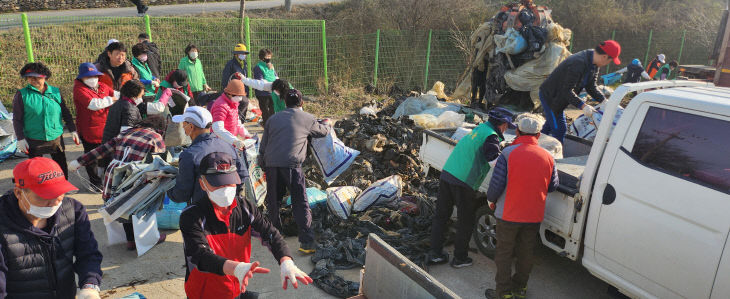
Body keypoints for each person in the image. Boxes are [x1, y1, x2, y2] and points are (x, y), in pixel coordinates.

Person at [180, 152, 313, 298]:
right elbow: (201, 256)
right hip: (205, 293)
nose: (224, 189)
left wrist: (286, 260)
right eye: (217, 184)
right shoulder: (191, 216)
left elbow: (270, 233)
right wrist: (236, 268)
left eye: (228, 182)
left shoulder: (245, 208)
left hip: (237, 287)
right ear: (202, 184)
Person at [0, 157, 103, 299]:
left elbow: (88, 253)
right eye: (45, 196)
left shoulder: (73, 210)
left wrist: (90, 285)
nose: (55, 202)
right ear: (19, 193)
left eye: (59, 193)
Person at [428, 108, 515, 268]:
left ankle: (435, 254)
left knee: (441, 216)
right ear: (503, 124)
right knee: (466, 221)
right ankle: (460, 258)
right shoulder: (491, 137)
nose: (507, 129)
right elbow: (494, 163)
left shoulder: (480, 128)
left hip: (448, 173)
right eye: (507, 126)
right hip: (463, 181)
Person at [484, 113, 559, 299]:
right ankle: (520, 289)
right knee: (526, 252)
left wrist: (491, 200)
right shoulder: (549, 157)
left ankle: (503, 293)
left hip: (508, 214)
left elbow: (497, 184)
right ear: (539, 135)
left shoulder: (508, 154)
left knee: (504, 254)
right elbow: (553, 185)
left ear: (517, 131)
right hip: (533, 215)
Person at [69, 115, 167, 251]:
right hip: (134, 175)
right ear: (160, 129)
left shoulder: (126, 133)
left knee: (121, 207)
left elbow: (102, 150)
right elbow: (159, 163)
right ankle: (149, 239)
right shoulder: (156, 138)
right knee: (141, 206)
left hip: (114, 173)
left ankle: (130, 241)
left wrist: (79, 162)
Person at [259, 89, 330, 253]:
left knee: (273, 201)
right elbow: (323, 132)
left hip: (271, 164)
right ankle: (306, 242)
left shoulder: (273, 119)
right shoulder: (307, 118)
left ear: (284, 102)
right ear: (302, 102)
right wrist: (327, 123)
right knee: (299, 201)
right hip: (291, 165)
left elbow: (263, 146)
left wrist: (263, 163)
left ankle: (275, 237)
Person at [539, 40, 620, 143]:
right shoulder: (578, 63)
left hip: (560, 97)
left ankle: (535, 146)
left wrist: (603, 100)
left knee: (549, 126)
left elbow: (591, 86)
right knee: (559, 129)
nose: (608, 63)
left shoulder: (593, 64)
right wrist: (583, 105)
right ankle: (554, 155)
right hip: (550, 96)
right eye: (610, 60)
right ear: (604, 57)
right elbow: (566, 90)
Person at [167, 106, 248, 205]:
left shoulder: (189, 155)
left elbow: (182, 194)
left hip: (202, 211)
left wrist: (167, 190)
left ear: (191, 126)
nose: (182, 127)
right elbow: (243, 175)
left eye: (184, 124)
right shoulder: (228, 146)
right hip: (229, 208)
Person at [12, 62, 80, 179]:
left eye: (37, 77)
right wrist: (20, 138)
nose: (33, 80)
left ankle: (62, 186)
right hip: (34, 138)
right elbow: (17, 119)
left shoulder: (55, 92)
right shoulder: (22, 95)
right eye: (30, 77)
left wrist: (73, 130)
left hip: (55, 137)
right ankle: (39, 191)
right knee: (36, 168)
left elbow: (65, 112)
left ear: (44, 77)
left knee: (60, 165)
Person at [72, 62, 116, 189]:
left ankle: (105, 179)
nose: (92, 79)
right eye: (88, 77)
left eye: (94, 76)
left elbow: (115, 93)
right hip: (89, 129)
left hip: (105, 127)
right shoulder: (79, 89)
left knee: (108, 154)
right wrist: (111, 100)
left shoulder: (102, 86)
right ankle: (94, 183)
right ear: (81, 78)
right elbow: (93, 104)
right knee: (91, 158)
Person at [210, 79, 251, 150]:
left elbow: (237, 122)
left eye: (241, 95)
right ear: (229, 94)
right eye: (237, 95)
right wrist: (234, 141)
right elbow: (217, 128)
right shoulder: (220, 106)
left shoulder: (233, 103)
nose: (240, 98)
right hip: (220, 144)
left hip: (229, 142)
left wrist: (245, 134)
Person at [102, 80, 144, 144]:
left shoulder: (117, 103)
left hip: (108, 143)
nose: (142, 97)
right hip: (117, 147)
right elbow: (127, 133)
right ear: (136, 93)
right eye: (141, 95)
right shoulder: (130, 108)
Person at [253, 48, 279, 124]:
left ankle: (272, 124)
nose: (269, 58)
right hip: (262, 93)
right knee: (265, 110)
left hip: (272, 91)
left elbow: (275, 76)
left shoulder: (271, 66)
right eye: (267, 56)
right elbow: (259, 80)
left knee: (273, 109)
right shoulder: (258, 67)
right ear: (262, 57)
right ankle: (266, 125)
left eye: (270, 56)